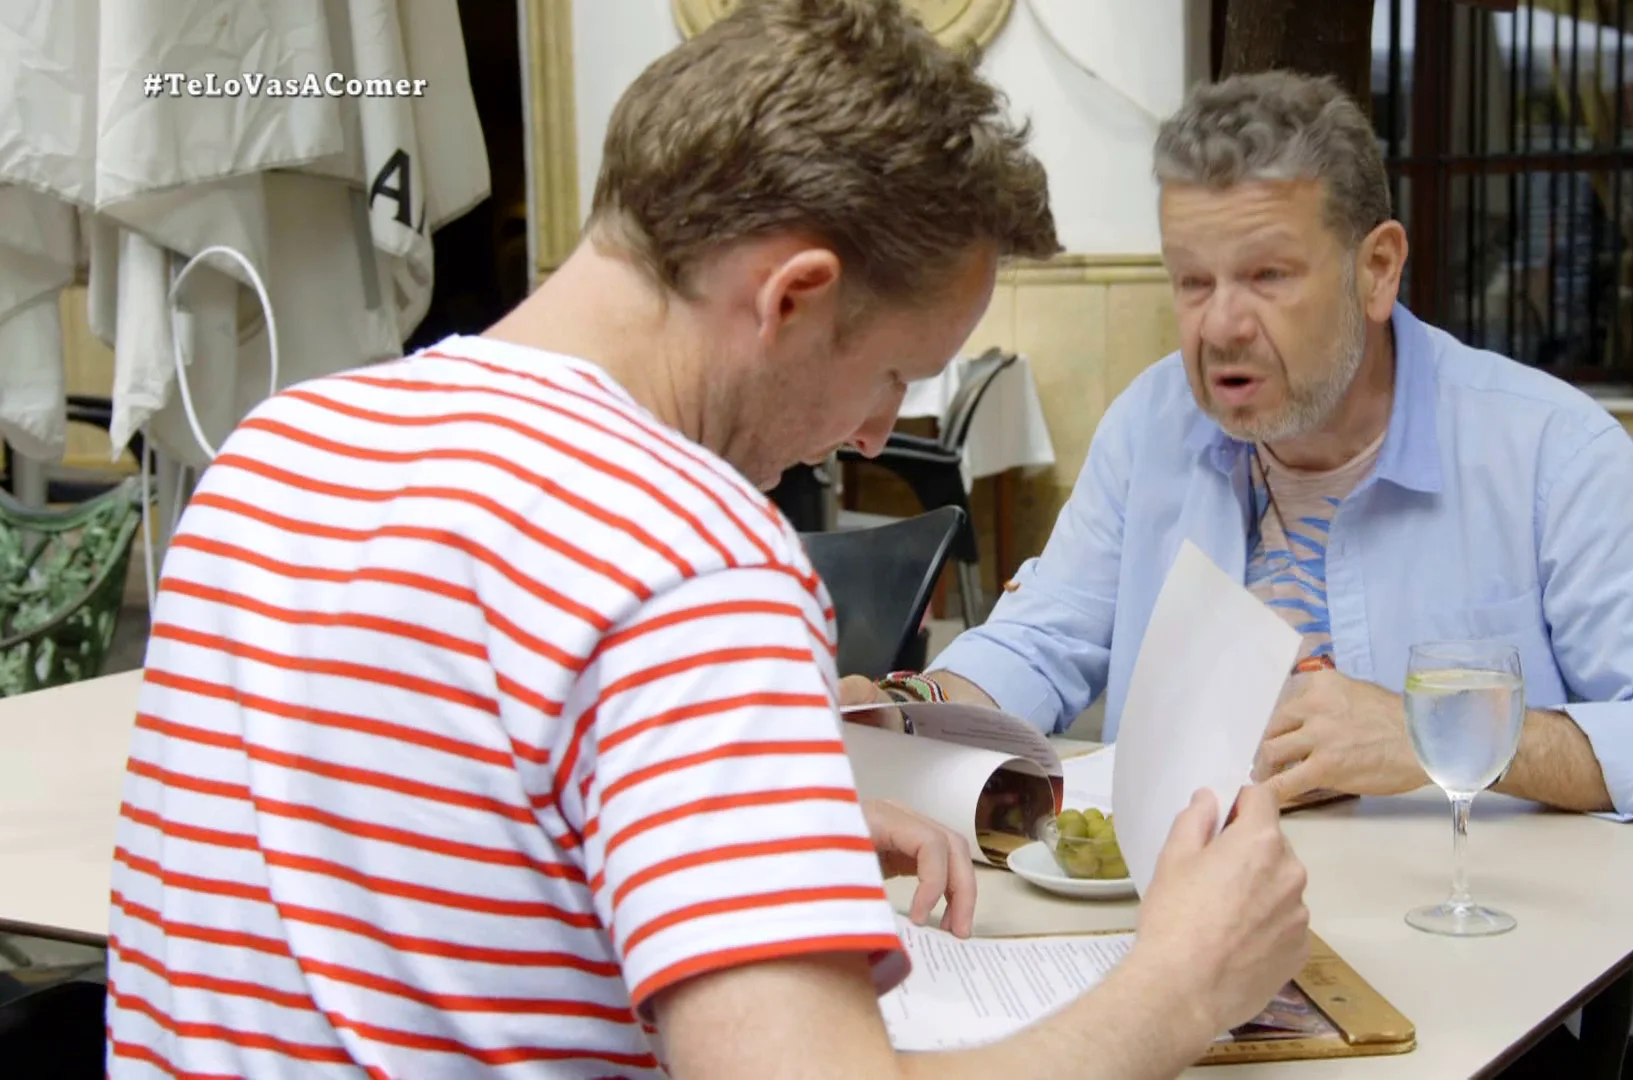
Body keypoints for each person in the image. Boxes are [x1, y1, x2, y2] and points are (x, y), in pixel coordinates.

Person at [103, 2, 1311, 1077]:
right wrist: (1179, 988)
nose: (870, 434)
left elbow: (427, 865)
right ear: (793, 297)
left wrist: (759, 824)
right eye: (893, 373)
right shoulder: (688, 557)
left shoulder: (279, 451)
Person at [843, 70, 1633, 826]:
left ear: (1376, 269)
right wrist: (908, 709)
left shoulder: (1547, 449)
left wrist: (1439, 740)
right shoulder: (1155, 423)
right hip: (1187, 936)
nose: (1219, 328)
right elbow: (1044, 641)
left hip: (1477, 954)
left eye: (1266, 277)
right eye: (1192, 282)